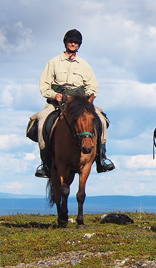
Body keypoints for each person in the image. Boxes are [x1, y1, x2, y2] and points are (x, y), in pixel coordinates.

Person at [33, 29, 115, 178]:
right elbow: (44, 85)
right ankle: (45, 163)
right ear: (65, 43)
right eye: (71, 41)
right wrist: (54, 95)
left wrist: (88, 97)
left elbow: (92, 86)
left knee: (101, 120)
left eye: (76, 42)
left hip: (80, 102)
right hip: (58, 101)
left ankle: (101, 157)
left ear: (79, 45)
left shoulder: (84, 65)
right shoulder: (53, 62)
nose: (73, 43)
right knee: (41, 121)